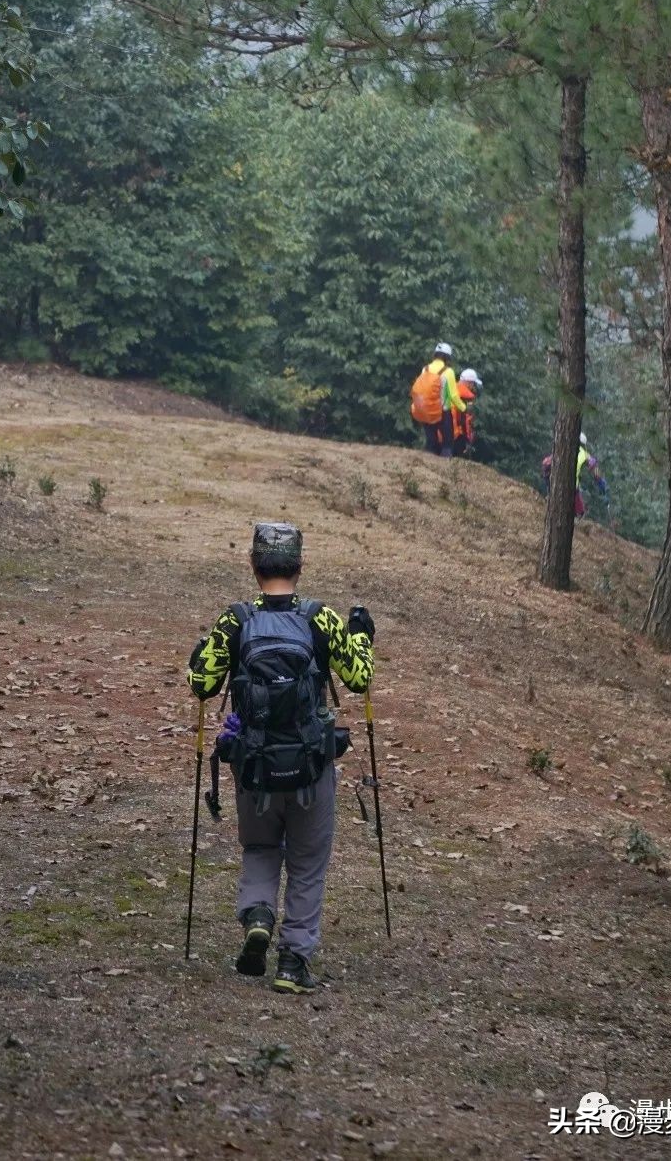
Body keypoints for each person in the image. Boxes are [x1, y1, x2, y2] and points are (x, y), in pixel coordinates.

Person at [187, 521, 375, 994]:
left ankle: (258, 915)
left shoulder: (236, 621)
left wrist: (201, 655)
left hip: (253, 767)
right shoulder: (319, 618)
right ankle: (293, 963)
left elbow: (200, 684)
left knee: (259, 848)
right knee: (309, 862)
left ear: (253, 565)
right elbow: (359, 677)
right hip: (312, 766)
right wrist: (362, 635)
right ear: (300, 566)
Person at [410, 340, 464, 455]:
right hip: (443, 412)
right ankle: (444, 470)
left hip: (426, 410)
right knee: (447, 444)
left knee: (431, 442)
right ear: (447, 357)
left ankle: (427, 469)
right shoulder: (448, 371)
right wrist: (463, 408)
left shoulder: (425, 369)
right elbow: (454, 395)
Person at [541, 432, 609, 519]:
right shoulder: (582, 454)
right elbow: (594, 467)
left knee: (578, 511)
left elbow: (546, 464)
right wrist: (601, 483)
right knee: (579, 513)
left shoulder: (564, 447)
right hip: (569, 486)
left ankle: (552, 500)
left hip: (565, 485)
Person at [450, 368, 482, 457]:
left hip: (444, 432)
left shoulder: (452, 389)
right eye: (473, 384)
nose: (473, 387)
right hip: (457, 435)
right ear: (469, 383)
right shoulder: (466, 397)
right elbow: (466, 421)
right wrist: (468, 440)